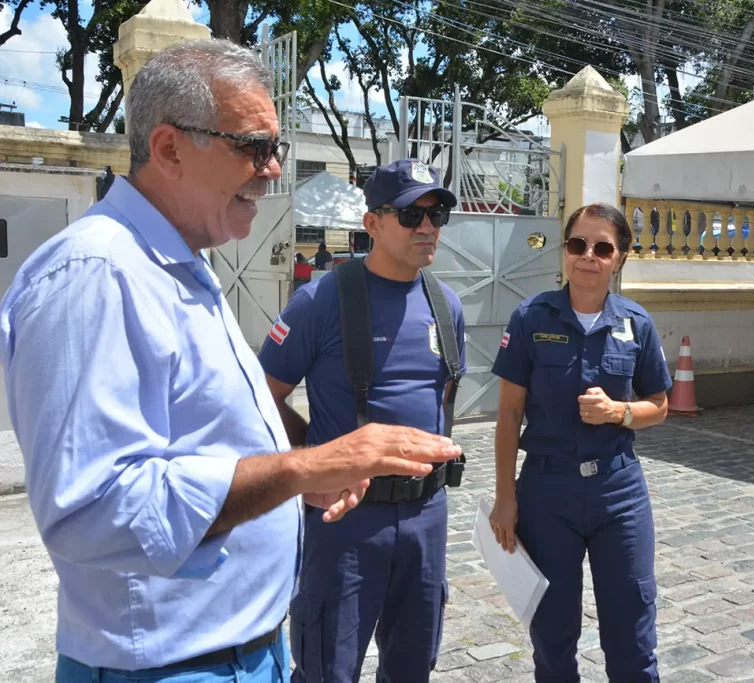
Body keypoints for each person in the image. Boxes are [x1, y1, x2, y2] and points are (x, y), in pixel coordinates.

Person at [0, 40, 460, 683]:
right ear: (169, 148)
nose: (273, 169)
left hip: (243, 652)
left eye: (277, 148)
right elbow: (90, 509)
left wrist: (297, 478)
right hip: (169, 667)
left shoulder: (180, 268)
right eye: (254, 146)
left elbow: (220, 437)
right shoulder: (97, 273)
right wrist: (303, 466)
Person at [258, 158, 463, 683]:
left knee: (413, 666)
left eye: (436, 215)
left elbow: (441, 396)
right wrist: (316, 460)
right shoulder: (320, 301)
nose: (427, 227)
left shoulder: (446, 306)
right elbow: (259, 399)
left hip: (425, 516)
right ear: (372, 223)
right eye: (411, 215)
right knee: (328, 667)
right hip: (346, 522)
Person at [489, 203, 672, 683]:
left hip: (618, 493)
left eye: (602, 248)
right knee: (552, 636)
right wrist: (505, 498)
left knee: (632, 635)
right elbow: (508, 414)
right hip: (547, 493)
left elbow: (660, 404)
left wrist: (619, 412)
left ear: (620, 257)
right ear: (565, 250)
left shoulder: (636, 322)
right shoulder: (530, 318)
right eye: (577, 244)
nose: (588, 256)